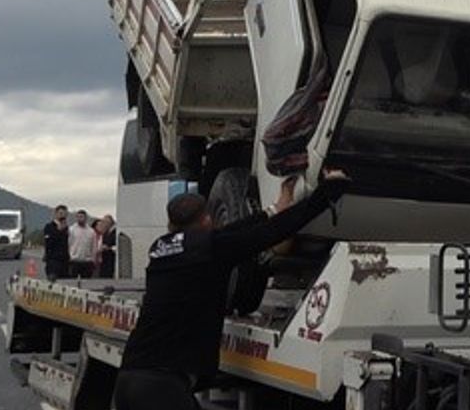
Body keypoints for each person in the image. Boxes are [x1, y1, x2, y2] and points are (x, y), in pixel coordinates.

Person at [113, 171, 349, 410]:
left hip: (129, 377)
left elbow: (230, 233)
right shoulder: (212, 250)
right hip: (161, 388)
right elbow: (273, 232)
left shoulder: (161, 248)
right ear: (207, 220)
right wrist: (328, 191)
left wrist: (273, 209)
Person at [68, 209, 98, 279]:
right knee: (73, 280)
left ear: (85, 218)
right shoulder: (71, 230)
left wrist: (93, 259)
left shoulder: (91, 231)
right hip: (74, 260)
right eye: (78, 217)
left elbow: (93, 246)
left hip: (87, 261)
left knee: (86, 280)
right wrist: (69, 256)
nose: (80, 219)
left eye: (81, 217)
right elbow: (68, 243)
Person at [43, 205, 70, 281]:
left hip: (65, 261)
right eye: (60, 213)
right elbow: (49, 243)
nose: (62, 216)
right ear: (56, 214)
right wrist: (58, 231)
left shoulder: (67, 228)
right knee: (52, 282)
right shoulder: (49, 227)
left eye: (64, 214)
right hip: (53, 261)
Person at [96, 214, 117, 279]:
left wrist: (108, 248)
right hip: (104, 259)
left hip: (111, 259)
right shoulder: (105, 233)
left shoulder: (115, 232)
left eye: (104, 222)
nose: (103, 224)